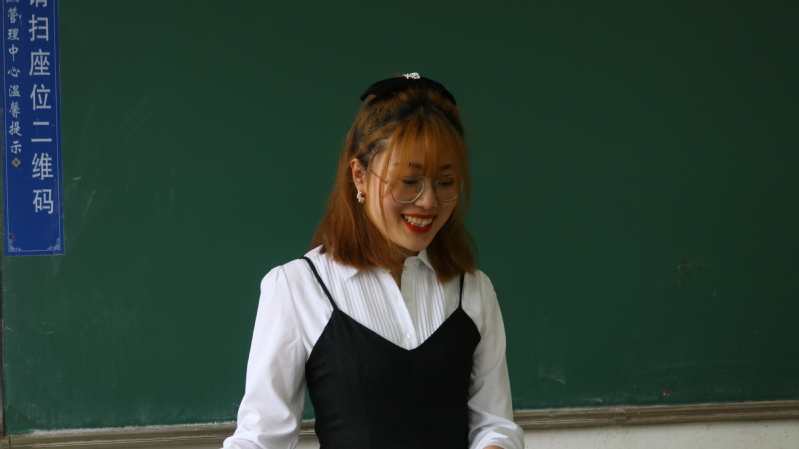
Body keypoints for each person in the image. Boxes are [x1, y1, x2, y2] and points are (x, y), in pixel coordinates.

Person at [222, 73, 523, 449]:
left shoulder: (473, 290)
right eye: (409, 182)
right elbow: (260, 438)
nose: (429, 201)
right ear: (360, 176)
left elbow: (495, 423)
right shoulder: (298, 287)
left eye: (445, 183)